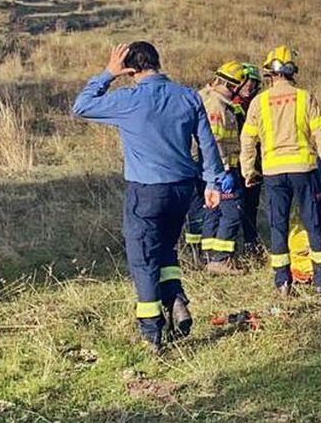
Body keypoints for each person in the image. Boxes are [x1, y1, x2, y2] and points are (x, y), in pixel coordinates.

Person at [72, 42, 224, 350]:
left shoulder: (128, 99)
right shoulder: (188, 96)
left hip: (146, 191)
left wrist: (108, 73)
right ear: (157, 61)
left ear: (130, 69)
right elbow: (207, 145)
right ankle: (177, 300)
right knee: (166, 249)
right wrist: (213, 183)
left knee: (142, 258)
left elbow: (82, 106)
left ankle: (151, 331)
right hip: (183, 189)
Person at [240, 46, 321, 296]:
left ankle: (283, 282)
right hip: (303, 170)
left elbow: (247, 139)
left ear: (270, 72)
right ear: (291, 71)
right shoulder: (304, 97)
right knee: (313, 223)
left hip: (274, 171)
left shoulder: (259, 102)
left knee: (278, 225)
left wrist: (248, 171)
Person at [198, 61, 250, 275]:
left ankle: (208, 256)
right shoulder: (216, 106)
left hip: (213, 169)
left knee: (214, 213)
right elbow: (215, 141)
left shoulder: (210, 99)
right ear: (234, 85)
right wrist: (225, 171)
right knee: (232, 213)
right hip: (222, 169)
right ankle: (220, 259)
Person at [233, 63, 265, 254]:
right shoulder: (229, 104)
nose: (250, 87)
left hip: (255, 161)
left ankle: (250, 241)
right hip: (233, 162)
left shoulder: (259, 103)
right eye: (247, 82)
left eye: (254, 83)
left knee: (251, 204)